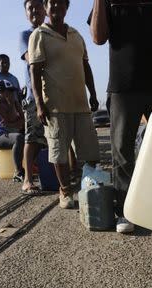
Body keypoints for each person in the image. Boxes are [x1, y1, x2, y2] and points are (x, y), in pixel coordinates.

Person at [89, 0, 152, 233]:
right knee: (122, 153)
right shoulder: (107, 3)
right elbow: (98, 37)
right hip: (122, 87)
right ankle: (125, 211)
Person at [29, 0, 101, 208]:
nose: (56, 7)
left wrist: (93, 93)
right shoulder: (39, 35)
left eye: (61, 3)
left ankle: (92, 188)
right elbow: (34, 71)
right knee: (59, 153)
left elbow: (85, 66)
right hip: (56, 107)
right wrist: (39, 104)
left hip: (81, 105)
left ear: (67, 7)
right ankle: (65, 191)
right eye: (52, 3)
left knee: (91, 152)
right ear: (46, 7)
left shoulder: (76, 35)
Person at [20, 0, 47, 194]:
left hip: (55, 93)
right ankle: (27, 179)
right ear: (26, 13)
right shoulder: (26, 35)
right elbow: (32, 59)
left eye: (38, 6)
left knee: (59, 138)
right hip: (33, 97)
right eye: (30, 8)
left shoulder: (51, 32)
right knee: (32, 138)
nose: (34, 11)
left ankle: (70, 172)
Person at [0, 80, 26, 182]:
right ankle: (18, 173)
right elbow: (10, 120)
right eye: (7, 91)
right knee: (18, 138)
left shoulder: (12, 102)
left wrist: (15, 104)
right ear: (0, 92)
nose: (11, 93)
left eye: (11, 91)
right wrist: (12, 105)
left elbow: (22, 121)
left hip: (9, 133)